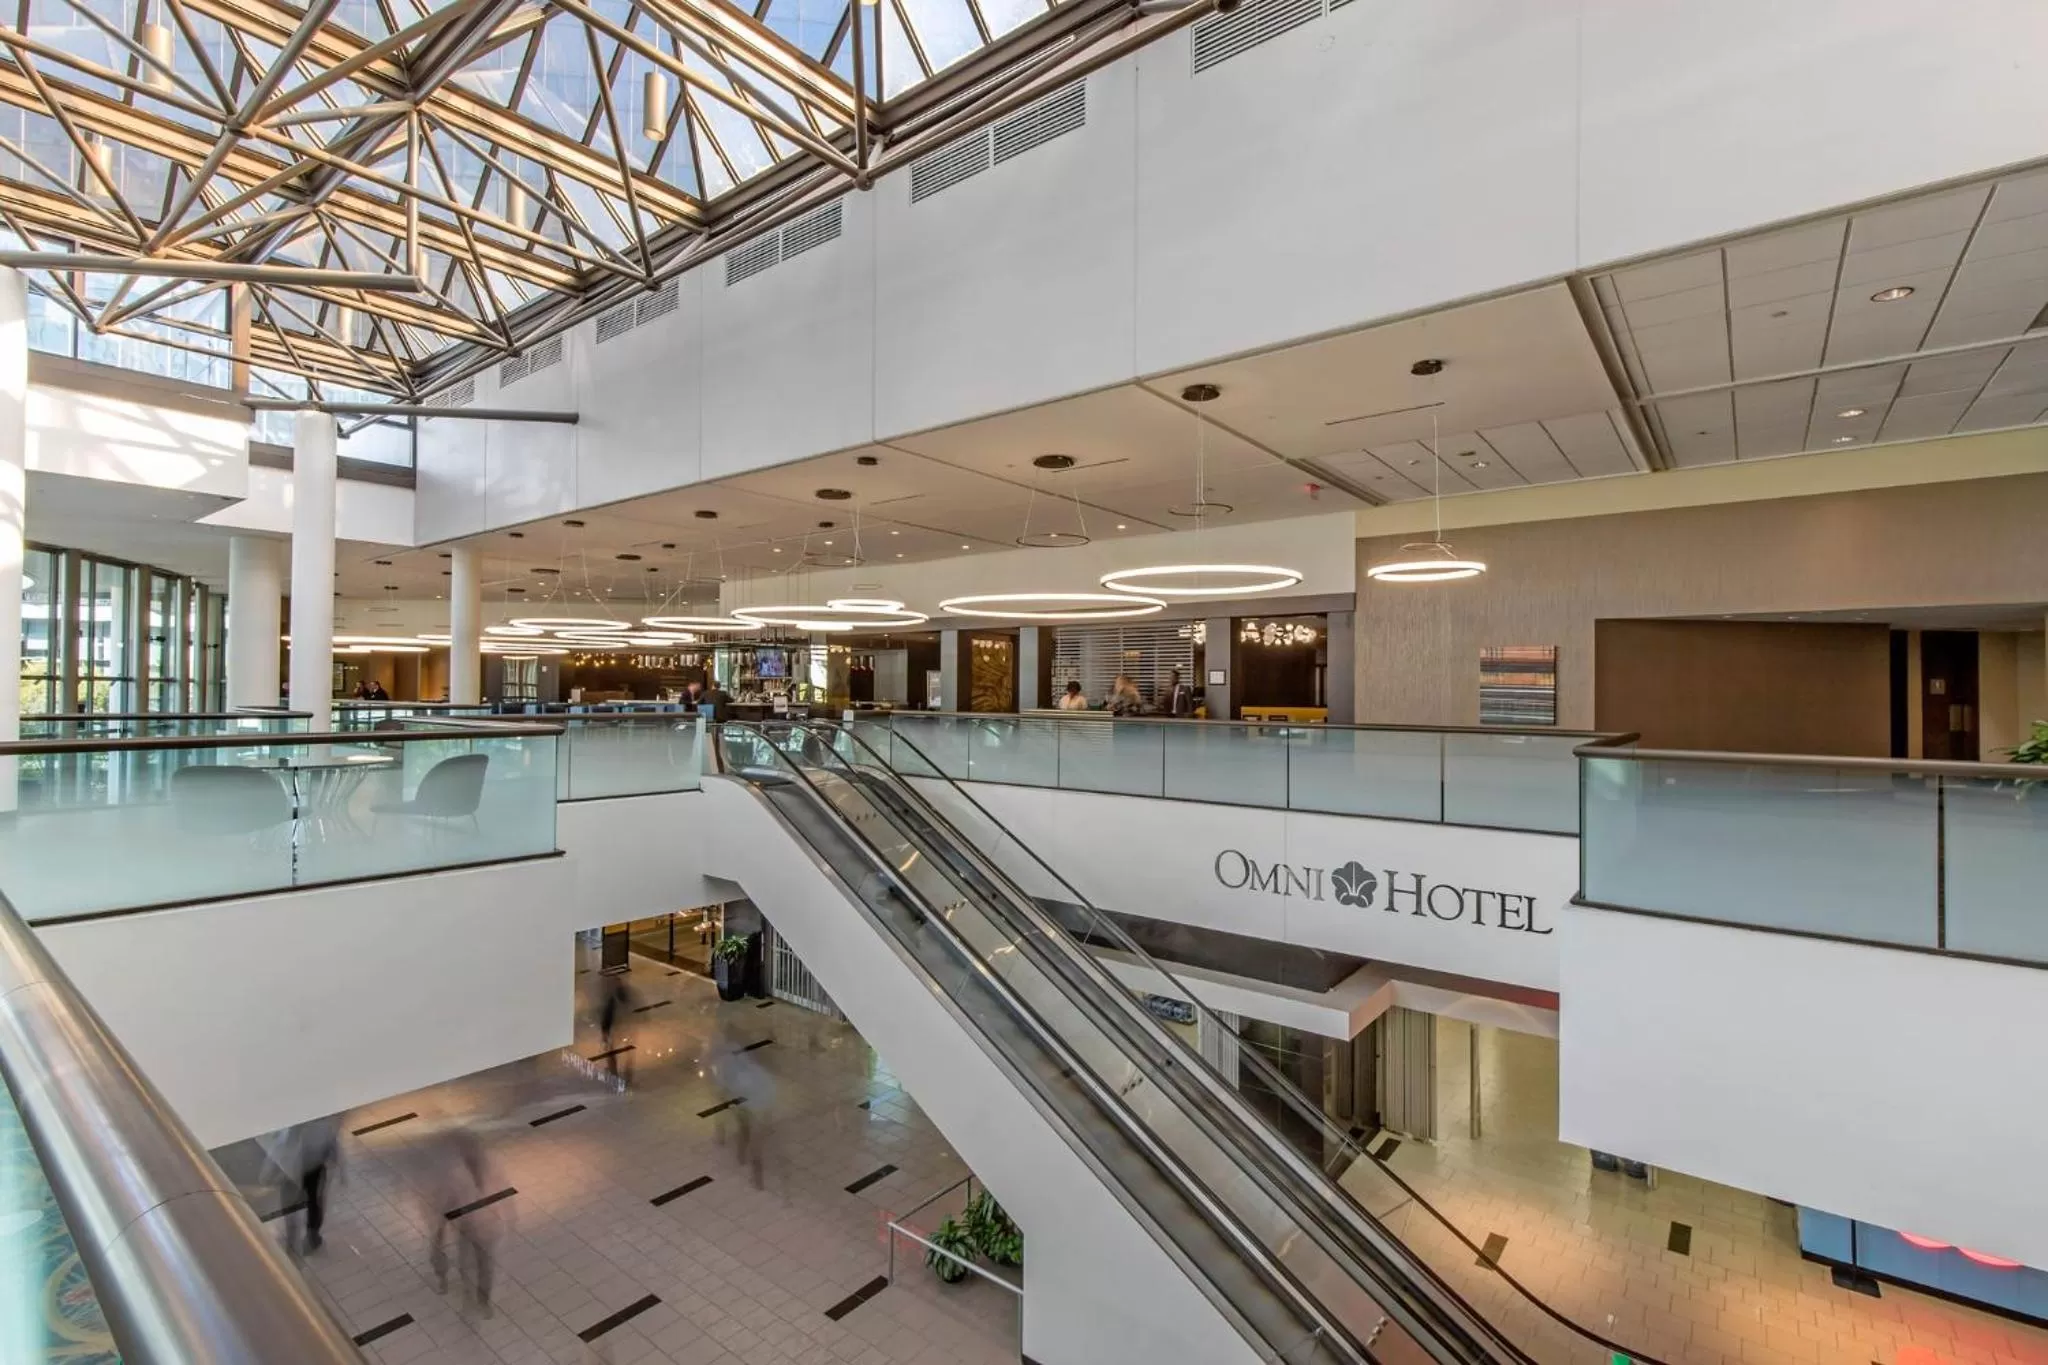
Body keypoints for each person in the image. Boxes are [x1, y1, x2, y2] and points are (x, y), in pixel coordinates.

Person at [428, 1127, 500, 1316]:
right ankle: (464, 1292)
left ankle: (483, 1301)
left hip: (486, 1228)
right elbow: (446, 1203)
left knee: (485, 1267)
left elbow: (500, 1197)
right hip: (466, 1228)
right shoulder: (455, 1177)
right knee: (466, 1265)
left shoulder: (489, 1171)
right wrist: (441, 1226)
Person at [279, 1114, 342, 1255]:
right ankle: (312, 1238)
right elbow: (334, 1152)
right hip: (315, 1170)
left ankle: (294, 1240)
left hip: (299, 1169)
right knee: (314, 1204)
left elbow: (288, 1145)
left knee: (294, 1205)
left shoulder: (299, 1125)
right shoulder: (325, 1127)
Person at [598, 974, 636, 1087]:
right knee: (625, 1054)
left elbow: (607, 1017)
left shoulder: (612, 999)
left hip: (617, 1029)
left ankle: (615, 1074)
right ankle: (625, 1077)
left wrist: (605, 1032)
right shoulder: (624, 996)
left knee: (611, 1052)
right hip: (624, 1028)